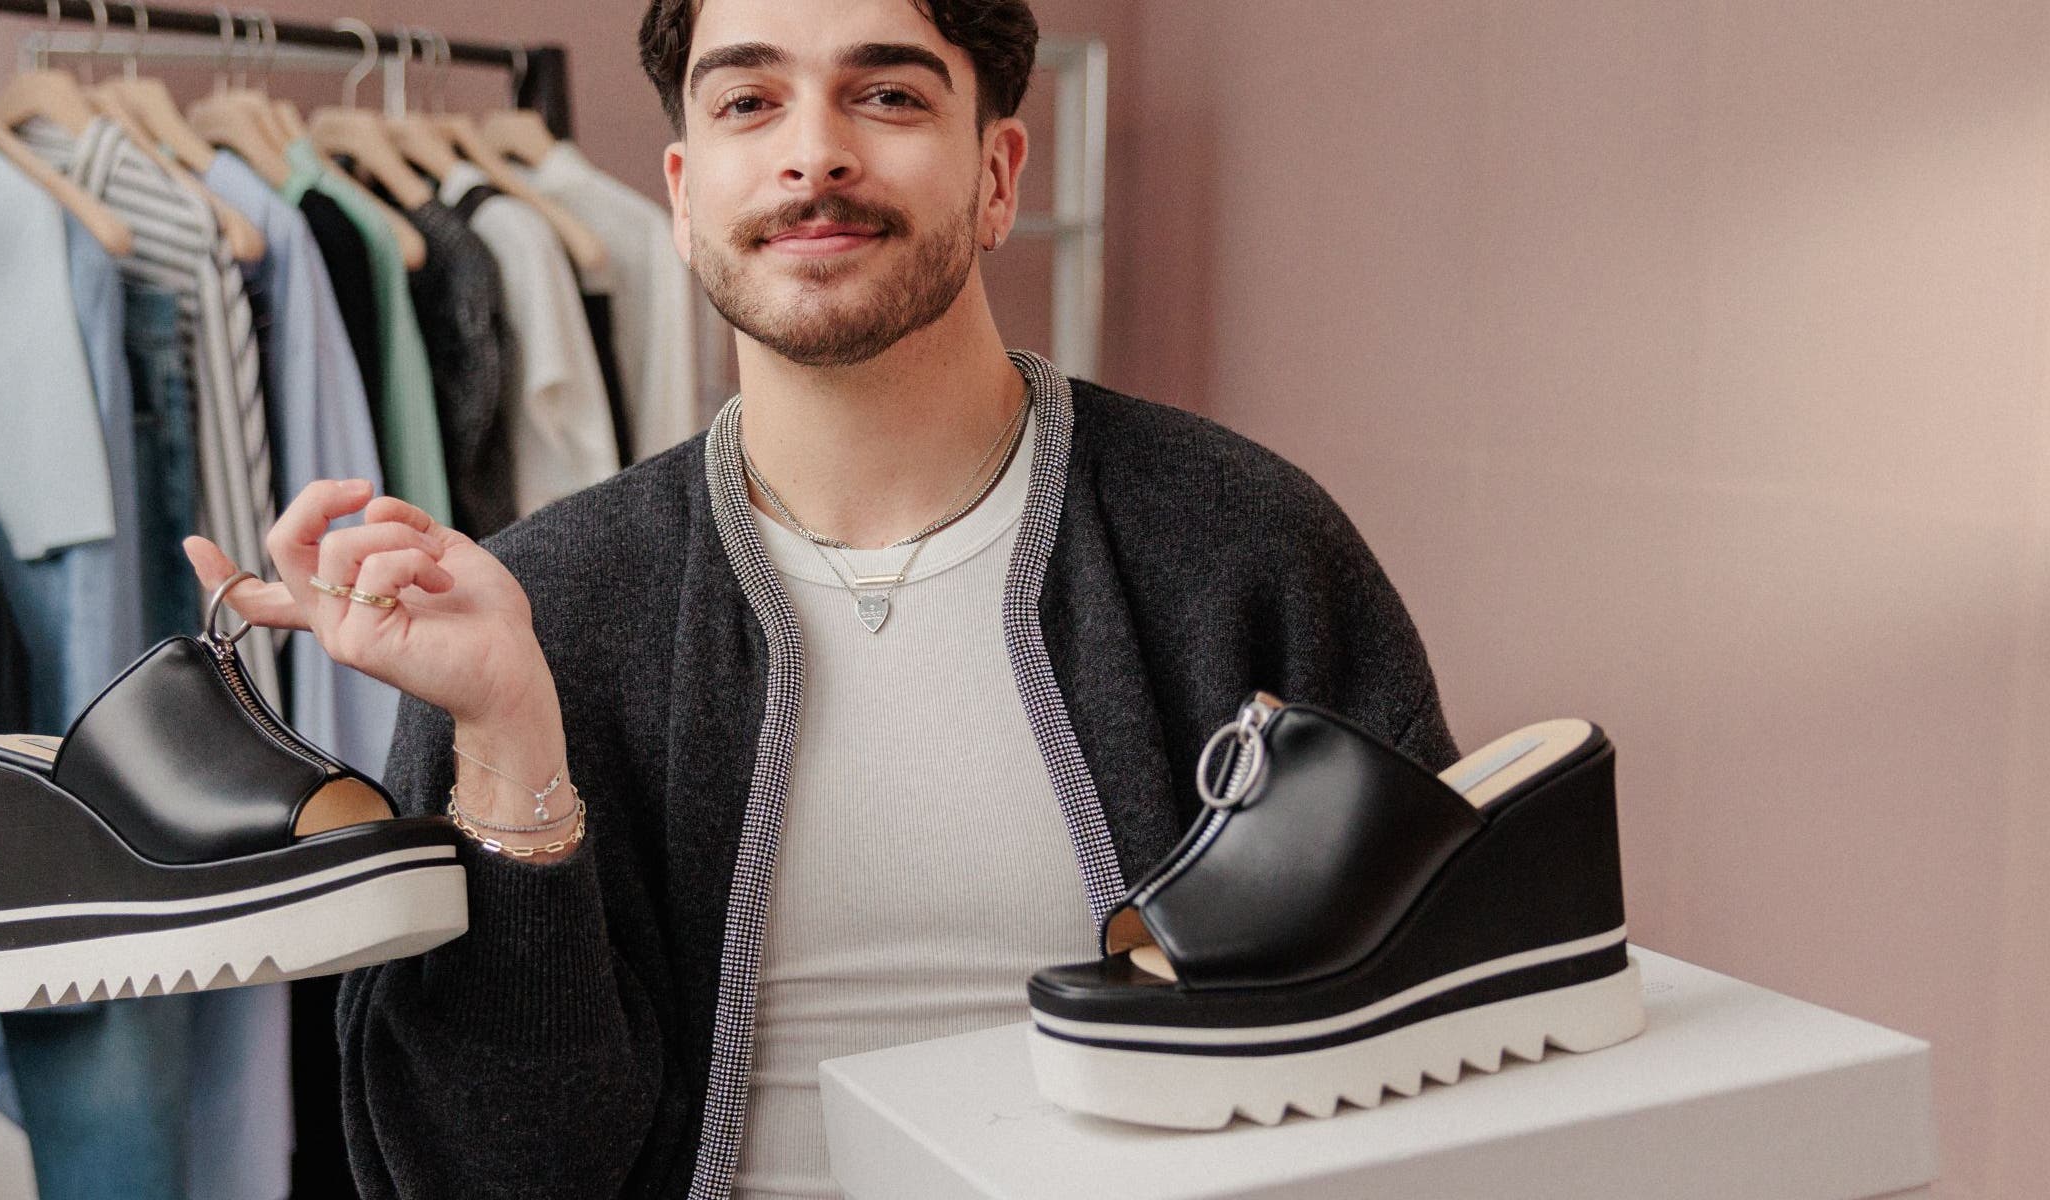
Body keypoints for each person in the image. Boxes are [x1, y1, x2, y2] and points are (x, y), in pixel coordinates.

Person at [182, 0, 1456, 1194]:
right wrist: (513, 737)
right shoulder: (546, 608)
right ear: (682, 199)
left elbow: (1424, 1037)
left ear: (998, 175)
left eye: (887, 95)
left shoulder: (1242, 546)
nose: (814, 155)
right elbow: (488, 1177)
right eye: (747, 104)